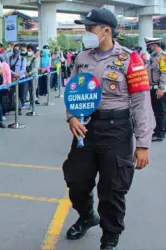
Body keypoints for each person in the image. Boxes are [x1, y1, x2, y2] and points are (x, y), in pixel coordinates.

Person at [63, 8, 154, 250]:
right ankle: (86, 216)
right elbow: (72, 91)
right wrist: (72, 117)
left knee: (113, 189)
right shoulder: (82, 58)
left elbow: (141, 103)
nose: (86, 32)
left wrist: (143, 144)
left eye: (90, 28)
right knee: (76, 180)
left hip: (117, 129)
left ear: (106, 31)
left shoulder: (129, 59)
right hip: (85, 129)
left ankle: (109, 237)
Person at [145, 37, 166, 141]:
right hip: (152, 88)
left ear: (155, 45)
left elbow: (164, 73)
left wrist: (161, 88)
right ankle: (158, 129)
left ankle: (160, 133)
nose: (147, 48)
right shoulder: (153, 57)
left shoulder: (163, 57)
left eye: (149, 46)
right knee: (156, 111)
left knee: (160, 111)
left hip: (159, 88)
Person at [8, 44, 27, 111]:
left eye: (17, 50)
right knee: (12, 94)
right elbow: (8, 68)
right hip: (12, 79)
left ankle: (20, 107)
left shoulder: (22, 59)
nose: (15, 51)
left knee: (21, 94)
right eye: (14, 49)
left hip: (21, 78)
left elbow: (23, 69)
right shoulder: (10, 58)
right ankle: (12, 107)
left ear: (19, 50)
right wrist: (13, 74)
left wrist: (17, 75)